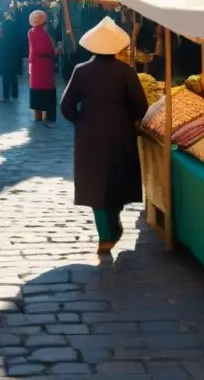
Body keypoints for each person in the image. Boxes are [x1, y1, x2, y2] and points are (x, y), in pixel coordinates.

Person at [60, 17, 148, 256]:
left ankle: (105, 236)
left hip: (89, 137)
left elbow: (66, 106)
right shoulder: (126, 72)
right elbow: (141, 107)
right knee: (117, 181)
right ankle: (112, 226)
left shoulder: (81, 71)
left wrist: (81, 121)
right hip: (120, 134)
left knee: (94, 185)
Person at [28, 10, 57, 122]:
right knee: (47, 93)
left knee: (37, 94)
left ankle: (38, 117)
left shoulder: (31, 32)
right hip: (45, 68)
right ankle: (49, 116)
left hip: (35, 69)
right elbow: (47, 50)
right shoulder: (42, 34)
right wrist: (56, 52)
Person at [0, 10, 24, 102]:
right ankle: (15, 94)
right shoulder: (16, 25)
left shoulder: (2, 25)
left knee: (5, 75)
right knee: (13, 75)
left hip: (5, 52)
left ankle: (6, 95)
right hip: (14, 52)